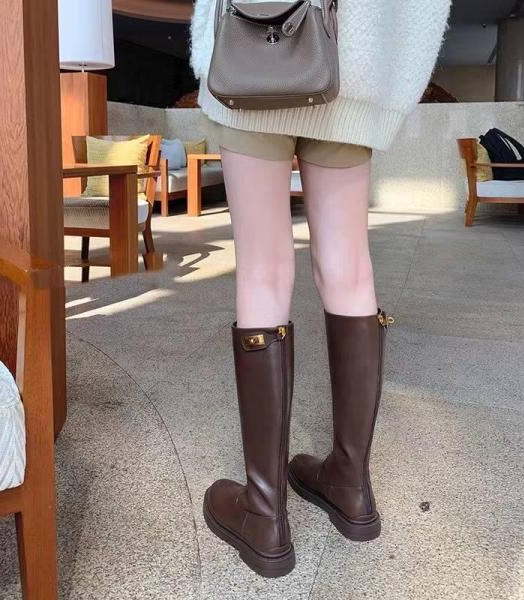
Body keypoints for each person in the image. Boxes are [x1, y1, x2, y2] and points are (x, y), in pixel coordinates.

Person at [191, 0, 451, 578]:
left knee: (262, 268)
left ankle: (264, 514)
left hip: (250, 51)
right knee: (349, 268)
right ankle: (351, 486)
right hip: (351, 62)